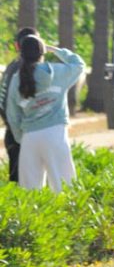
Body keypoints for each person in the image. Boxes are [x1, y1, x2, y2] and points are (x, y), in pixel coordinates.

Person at [4, 34, 84, 192]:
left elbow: (12, 115)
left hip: (29, 139)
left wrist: (21, 137)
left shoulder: (16, 79)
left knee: (31, 192)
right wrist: (56, 50)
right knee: (64, 187)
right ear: (42, 53)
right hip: (55, 135)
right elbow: (79, 64)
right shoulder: (58, 72)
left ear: (21, 54)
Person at [0, 26, 39, 183]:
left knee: (17, 185)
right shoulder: (30, 70)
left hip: (12, 133)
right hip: (23, 134)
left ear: (17, 46)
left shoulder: (11, 67)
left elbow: (3, 102)